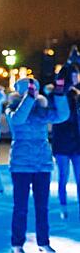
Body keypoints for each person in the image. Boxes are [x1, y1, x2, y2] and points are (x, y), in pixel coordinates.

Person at [6, 76, 69, 253]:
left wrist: (59, 95)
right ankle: (17, 243)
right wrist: (29, 98)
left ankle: (44, 242)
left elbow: (62, 116)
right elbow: (18, 120)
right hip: (21, 164)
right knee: (21, 207)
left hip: (42, 163)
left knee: (42, 207)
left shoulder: (43, 110)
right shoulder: (12, 109)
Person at [52, 47, 80, 220]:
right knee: (63, 177)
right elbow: (60, 80)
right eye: (75, 76)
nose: (77, 78)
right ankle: (63, 206)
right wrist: (68, 64)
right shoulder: (60, 94)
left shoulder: (78, 94)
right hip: (62, 144)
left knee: (79, 178)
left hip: (77, 144)